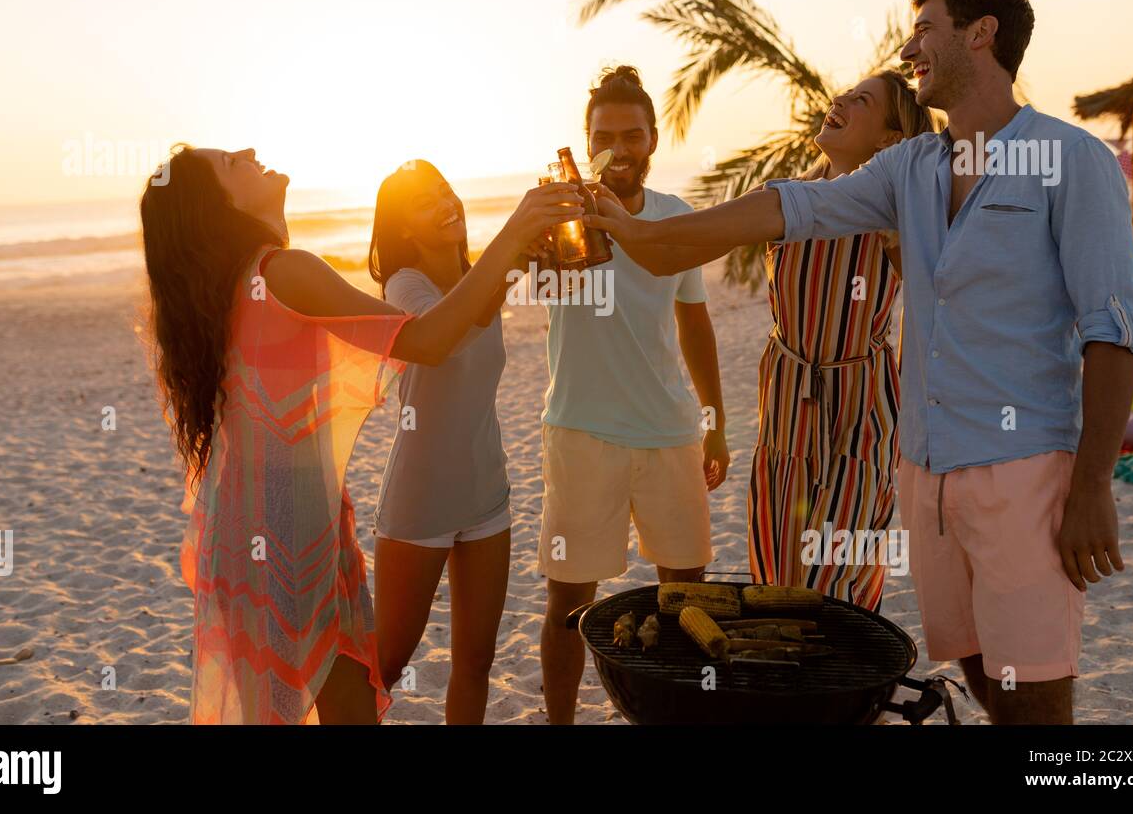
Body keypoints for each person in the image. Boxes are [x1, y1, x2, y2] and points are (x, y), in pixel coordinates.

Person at [585, 0, 1133, 724]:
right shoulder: (911, 167)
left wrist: (1092, 486)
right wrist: (648, 238)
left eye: (926, 29)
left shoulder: (1069, 160)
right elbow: (791, 205)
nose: (909, 46)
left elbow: (1114, 331)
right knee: (981, 668)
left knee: (1034, 688)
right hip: (923, 472)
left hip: (1024, 472)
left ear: (981, 36)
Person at [140, 145, 579, 724]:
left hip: (264, 532)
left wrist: (510, 259)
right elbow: (423, 341)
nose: (248, 152)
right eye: (230, 164)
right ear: (219, 206)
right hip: (282, 536)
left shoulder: (235, 286)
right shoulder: (281, 270)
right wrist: (518, 226)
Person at [593, 71, 934, 611]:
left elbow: (937, 295)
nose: (839, 98)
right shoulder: (784, 199)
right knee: (780, 571)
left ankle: (838, 689)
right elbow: (670, 256)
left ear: (891, 140)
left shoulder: (897, 207)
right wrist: (616, 224)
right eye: (845, 91)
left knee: (841, 578)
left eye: (861, 100)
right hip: (786, 399)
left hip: (861, 402)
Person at [538, 66, 729, 724]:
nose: (617, 149)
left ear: (652, 138)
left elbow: (695, 322)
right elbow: (522, 283)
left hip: (672, 431)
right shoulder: (562, 215)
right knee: (568, 600)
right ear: (585, 142)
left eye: (631, 135)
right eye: (602, 136)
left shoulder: (677, 218)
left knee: (685, 597)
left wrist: (717, 424)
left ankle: (676, 715)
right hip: (581, 431)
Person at [367, 160, 529, 724]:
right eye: (425, 201)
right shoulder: (404, 286)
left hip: (488, 493)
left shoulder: (480, 278)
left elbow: (483, 302)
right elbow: (444, 338)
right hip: (421, 501)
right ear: (404, 229)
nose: (446, 202)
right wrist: (515, 242)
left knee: (476, 661)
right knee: (387, 663)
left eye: (445, 190)